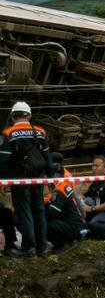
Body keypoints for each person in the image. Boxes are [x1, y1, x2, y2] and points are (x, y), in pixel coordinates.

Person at [3, 101, 54, 257]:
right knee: (39, 210)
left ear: (12, 116)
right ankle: (42, 246)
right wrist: (51, 178)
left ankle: (29, 248)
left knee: (24, 211)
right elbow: (48, 157)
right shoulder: (40, 132)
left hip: (19, 179)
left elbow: (4, 159)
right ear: (29, 116)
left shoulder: (8, 133)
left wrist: (5, 180)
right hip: (38, 178)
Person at [45, 163, 87, 250]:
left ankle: (63, 245)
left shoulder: (61, 189)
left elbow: (53, 212)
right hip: (76, 224)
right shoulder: (62, 186)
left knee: (44, 224)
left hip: (75, 227)